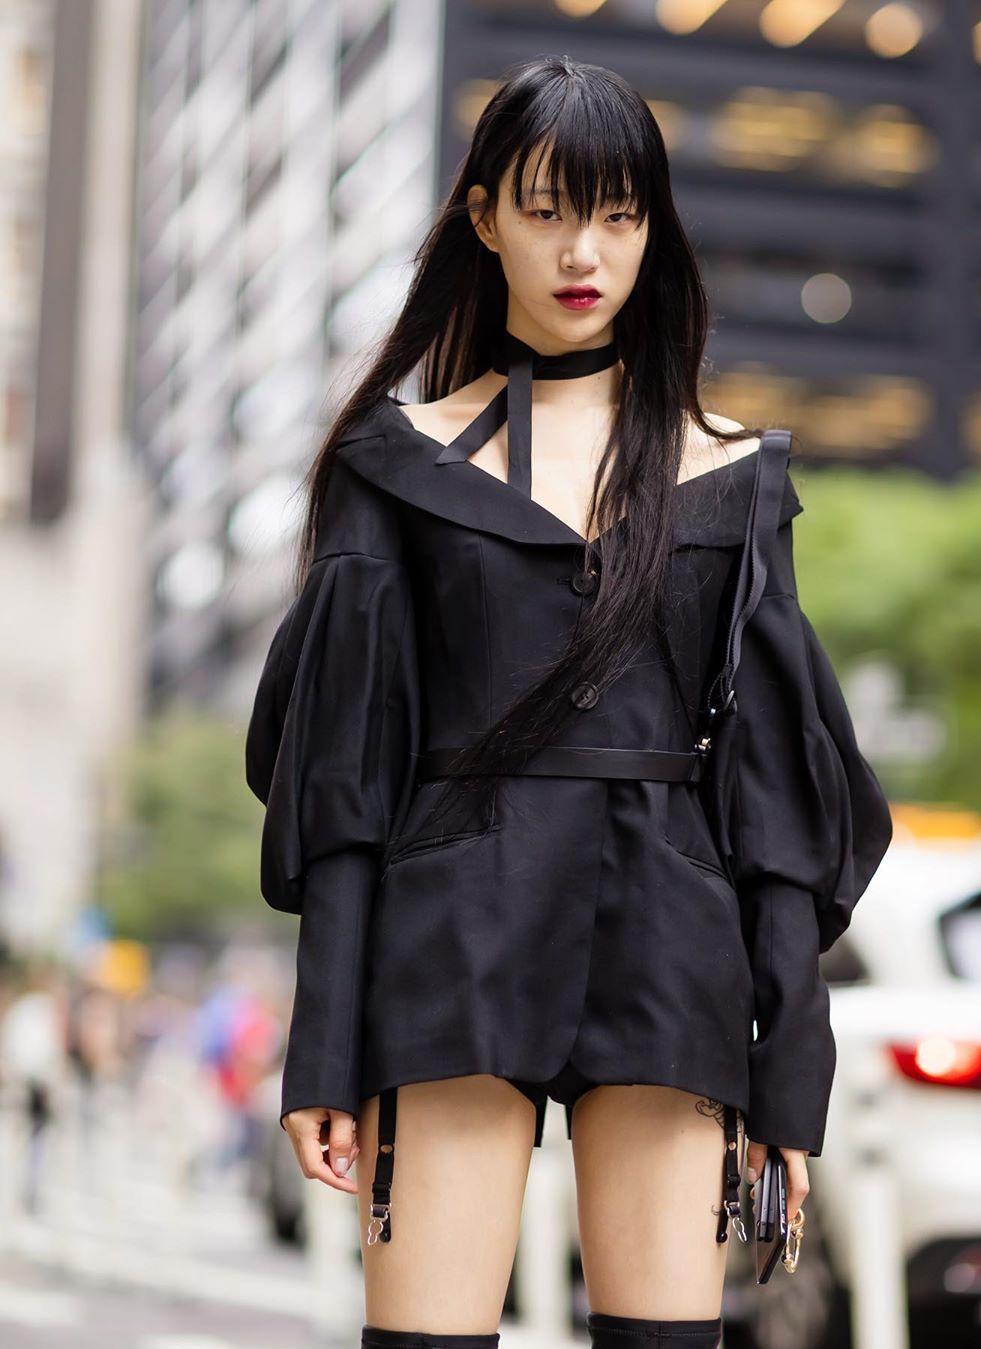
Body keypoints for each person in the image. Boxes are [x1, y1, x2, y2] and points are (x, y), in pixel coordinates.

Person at [244, 55, 893, 1349]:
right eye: (547, 209)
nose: (584, 249)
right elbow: (345, 789)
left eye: (618, 213)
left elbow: (775, 805)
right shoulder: (401, 465)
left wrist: (791, 1081)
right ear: (484, 217)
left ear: (655, 227)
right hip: (452, 933)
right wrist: (324, 1055)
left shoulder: (734, 477)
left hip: (670, 935)